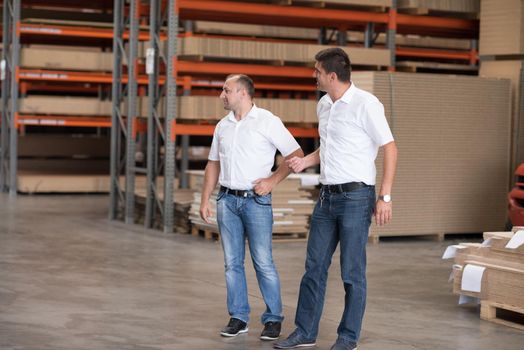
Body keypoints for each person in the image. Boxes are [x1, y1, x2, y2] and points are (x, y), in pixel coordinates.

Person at [274, 48, 398, 350]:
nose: (313, 76)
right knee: (313, 266)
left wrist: (385, 196)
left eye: (316, 71)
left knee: (352, 271)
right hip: (327, 197)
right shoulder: (324, 105)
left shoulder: (366, 104)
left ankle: (347, 337)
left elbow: (390, 148)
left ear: (331, 75)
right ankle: (305, 332)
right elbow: (328, 148)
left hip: (357, 197)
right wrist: (306, 162)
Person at [200, 74, 304, 341]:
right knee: (231, 263)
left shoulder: (267, 121)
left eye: (226, 90)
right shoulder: (222, 126)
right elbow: (213, 163)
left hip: (256, 202)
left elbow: (295, 155)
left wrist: (272, 181)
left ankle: (273, 319)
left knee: (263, 262)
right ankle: (238, 317)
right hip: (227, 201)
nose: (222, 95)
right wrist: (205, 199)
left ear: (243, 93)